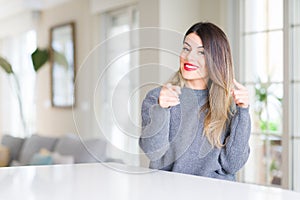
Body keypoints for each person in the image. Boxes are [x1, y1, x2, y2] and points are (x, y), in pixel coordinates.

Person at [139, 22, 251, 181]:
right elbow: (152, 151)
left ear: (216, 59)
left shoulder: (230, 104)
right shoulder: (158, 97)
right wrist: (161, 109)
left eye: (202, 52)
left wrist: (243, 112)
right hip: (168, 191)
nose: (189, 57)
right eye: (186, 48)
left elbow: (233, 164)